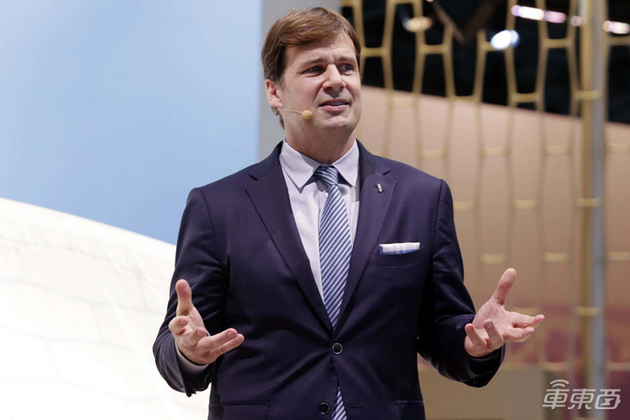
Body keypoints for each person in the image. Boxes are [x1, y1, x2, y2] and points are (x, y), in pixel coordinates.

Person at [153, 7, 545, 420]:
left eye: (346, 67)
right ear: (275, 92)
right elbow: (174, 349)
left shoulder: (421, 198)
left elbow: (442, 330)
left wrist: (474, 344)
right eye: (314, 69)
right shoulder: (218, 206)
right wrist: (188, 352)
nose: (336, 81)